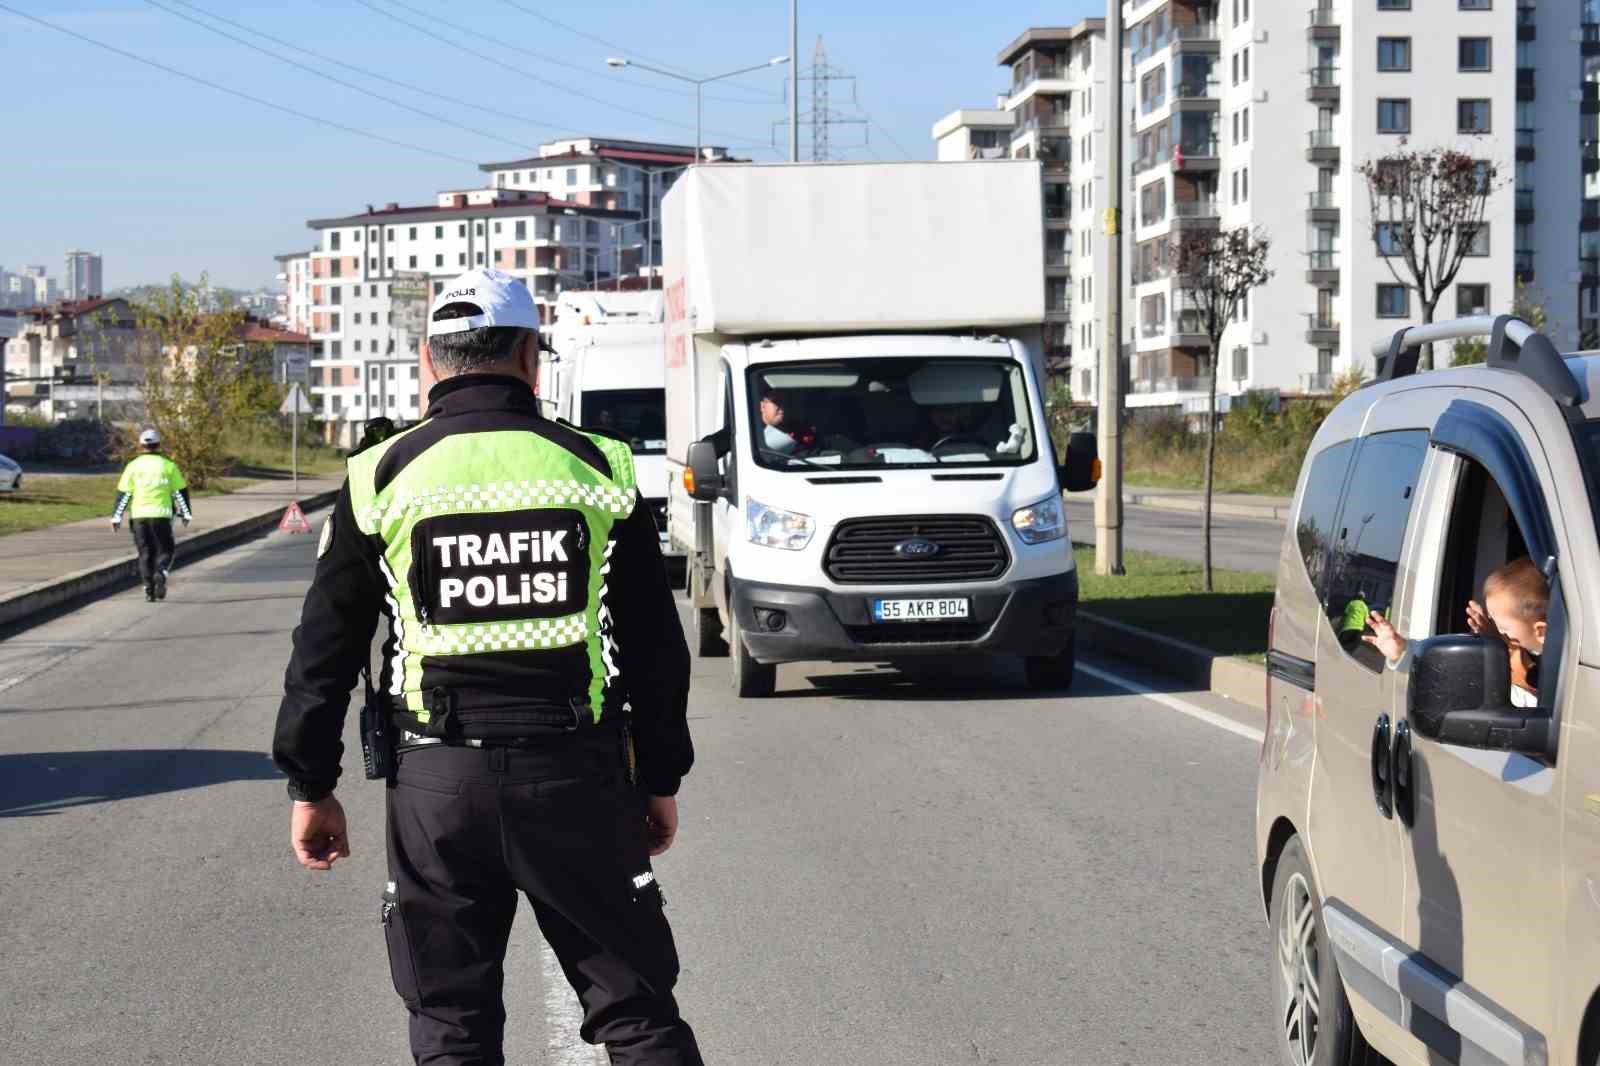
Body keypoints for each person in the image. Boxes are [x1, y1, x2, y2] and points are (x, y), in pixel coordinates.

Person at [272, 268, 702, 1066]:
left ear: (428, 362)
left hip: (437, 788)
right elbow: (654, 645)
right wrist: (661, 779)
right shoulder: (599, 467)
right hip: (577, 775)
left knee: (452, 1024)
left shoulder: (380, 477)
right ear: (531, 358)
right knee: (636, 1011)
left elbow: (324, 650)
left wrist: (311, 784)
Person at [1365, 556, 1548, 702]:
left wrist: (1406, 654)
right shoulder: (1540, 653)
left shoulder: (1548, 687)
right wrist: (1494, 644)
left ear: (1541, 632)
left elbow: (1465, 683)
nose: (1500, 631)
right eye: (1495, 624)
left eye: (1504, 627)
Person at [110, 428, 191, 602]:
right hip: (161, 516)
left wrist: (116, 517)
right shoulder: (168, 466)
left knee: (145, 553)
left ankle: (148, 588)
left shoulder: (132, 466)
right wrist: (186, 513)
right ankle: (161, 571)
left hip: (139, 517)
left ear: (141, 446)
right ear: (158, 445)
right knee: (166, 550)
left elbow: (124, 494)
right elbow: (179, 492)